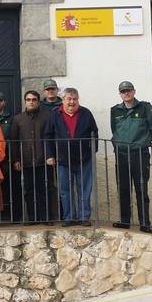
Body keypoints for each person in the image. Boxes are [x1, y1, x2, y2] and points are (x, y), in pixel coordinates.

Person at [44, 88, 98, 227]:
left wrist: (92, 151)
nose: (72, 102)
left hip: (83, 159)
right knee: (65, 190)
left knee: (84, 189)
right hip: (62, 159)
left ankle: (83, 217)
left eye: (74, 99)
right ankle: (68, 217)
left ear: (78, 100)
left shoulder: (86, 113)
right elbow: (48, 136)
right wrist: (49, 155)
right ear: (63, 100)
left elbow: (94, 132)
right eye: (69, 99)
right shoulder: (55, 115)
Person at [110, 81, 152, 234]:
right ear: (120, 94)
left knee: (141, 188)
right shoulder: (115, 110)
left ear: (134, 91)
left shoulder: (145, 107)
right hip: (122, 154)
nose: (126, 93)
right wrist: (118, 145)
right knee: (123, 188)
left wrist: (142, 143)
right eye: (123, 91)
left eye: (128, 90)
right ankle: (125, 221)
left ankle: (144, 223)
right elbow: (114, 130)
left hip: (139, 154)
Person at [10, 90, 57, 223]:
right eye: (28, 100)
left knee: (46, 189)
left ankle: (47, 217)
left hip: (44, 160)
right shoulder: (18, 119)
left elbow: (53, 137)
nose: (31, 102)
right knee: (29, 191)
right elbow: (13, 140)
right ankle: (33, 218)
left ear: (38, 101)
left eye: (34, 99)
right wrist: (16, 159)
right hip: (26, 161)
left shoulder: (47, 116)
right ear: (25, 101)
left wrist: (52, 156)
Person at [0, 91, 18, 217]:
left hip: (8, 155)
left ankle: (14, 215)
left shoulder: (12, 118)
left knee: (11, 185)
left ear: (4, 102)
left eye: (0, 100)